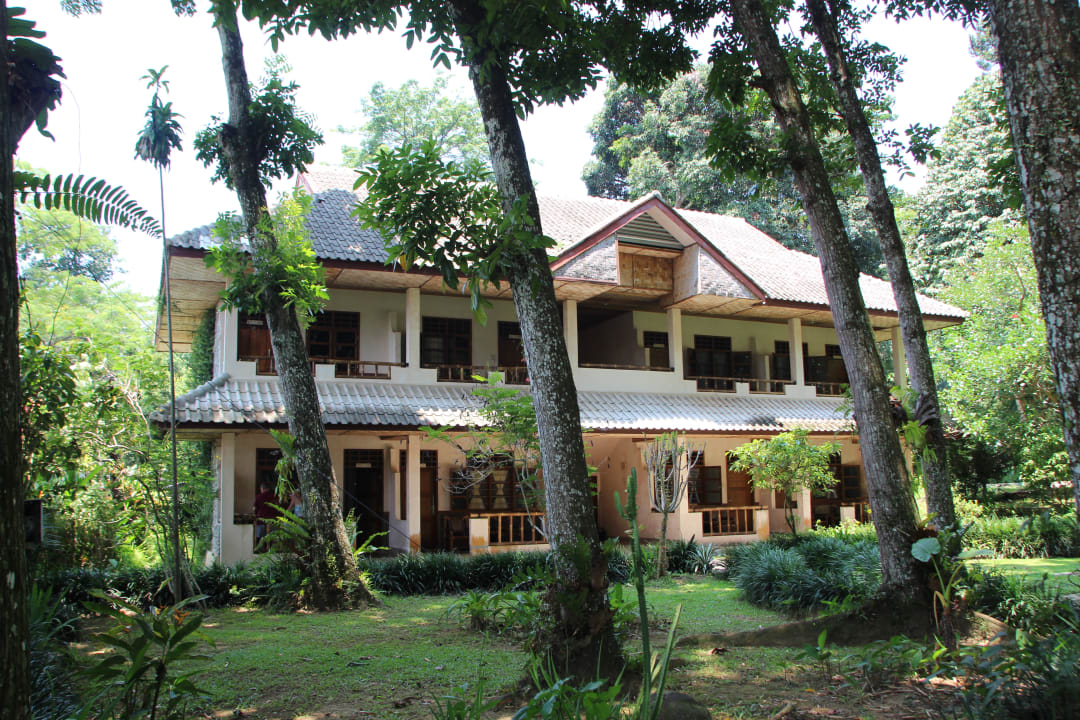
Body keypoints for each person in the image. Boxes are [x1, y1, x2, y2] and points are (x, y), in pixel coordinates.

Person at [253, 479, 280, 548]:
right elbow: (279, 507)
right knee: (273, 537)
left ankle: (260, 548)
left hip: (261, 520)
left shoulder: (259, 496)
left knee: (260, 537)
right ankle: (271, 548)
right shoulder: (275, 496)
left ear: (261, 488)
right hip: (273, 520)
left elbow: (254, 508)